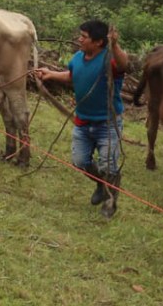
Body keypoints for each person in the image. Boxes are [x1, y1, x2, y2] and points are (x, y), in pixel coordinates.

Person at [34, 20, 129, 218]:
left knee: (108, 165)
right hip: (83, 121)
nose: (79, 39)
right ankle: (101, 184)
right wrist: (50, 74)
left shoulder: (109, 59)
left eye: (84, 37)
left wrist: (115, 45)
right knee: (80, 161)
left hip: (107, 123)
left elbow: (124, 65)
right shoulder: (78, 57)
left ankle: (111, 202)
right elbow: (71, 76)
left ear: (98, 42)